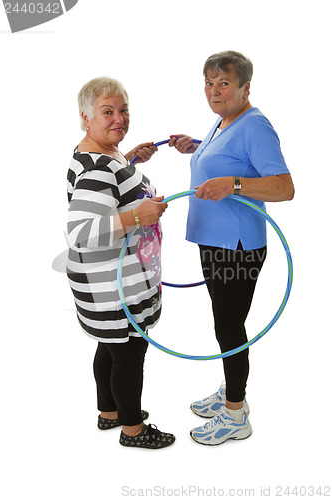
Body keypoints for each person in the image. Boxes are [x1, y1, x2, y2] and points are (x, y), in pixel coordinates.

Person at [169, 51, 294, 446]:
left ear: (245, 87)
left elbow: (284, 187)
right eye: (209, 83)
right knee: (224, 323)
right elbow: (230, 159)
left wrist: (234, 185)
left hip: (235, 247)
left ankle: (236, 414)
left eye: (224, 83)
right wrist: (196, 148)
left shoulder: (256, 126)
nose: (214, 91)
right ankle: (230, 389)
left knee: (228, 327)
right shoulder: (225, 121)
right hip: (213, 240)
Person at [66, 77, 175, 449]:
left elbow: (110, 191)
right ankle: (132, 430)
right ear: (86, 117)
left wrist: (129, 161)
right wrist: (139, 216)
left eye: (123, 110)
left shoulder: (102, 155)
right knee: (128, 352)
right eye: (107, 112)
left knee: (110, 347)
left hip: (108, 283)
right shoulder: (97, 168)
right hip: (112, 288)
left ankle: (109, 412)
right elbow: (80, 233)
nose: (119, 118)